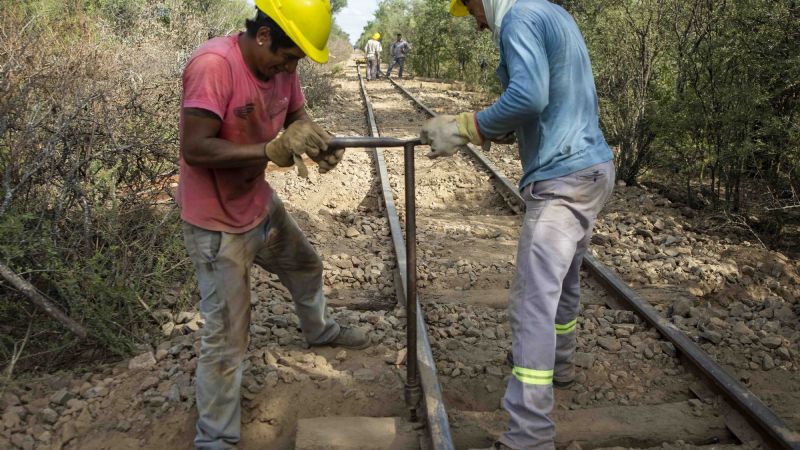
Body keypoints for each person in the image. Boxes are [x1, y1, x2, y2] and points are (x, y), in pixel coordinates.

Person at [419, 0, 615, 448]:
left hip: (562, 179)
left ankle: (529, 433)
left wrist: (470, 126)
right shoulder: (550, 11)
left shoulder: (519, 18)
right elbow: (545, 99)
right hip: (592, 169)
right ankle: (560, 366)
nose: (474, 20)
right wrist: (486, 125)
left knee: (532, 304)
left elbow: (529, 96)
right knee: (562, 284)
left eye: (470, 8)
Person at [178, 0, 370, 448]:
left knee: (305, 266)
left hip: (258, 205)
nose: (291, 66)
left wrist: (316, 139)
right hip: (216, 224)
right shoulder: (213, 66)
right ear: (263, 36)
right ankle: (215, 438)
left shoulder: (282, 66)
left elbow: (296, 116)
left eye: (296, 61)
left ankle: (320, 331)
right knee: (227, 338)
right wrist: (269, 150)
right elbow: (196, 149)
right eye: (288, 57)